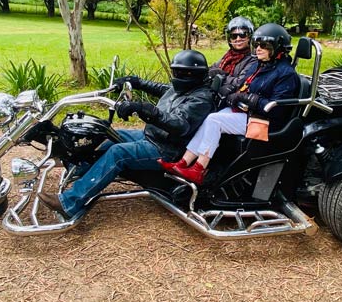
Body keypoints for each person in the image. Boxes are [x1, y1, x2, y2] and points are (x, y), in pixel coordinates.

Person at [37, 50, 216, 218]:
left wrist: (144, 109)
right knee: (109, 135)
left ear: (193, 74)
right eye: (175, 71)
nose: (176, 76)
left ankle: (70, 203)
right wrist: (136, 82)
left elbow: (180, 125)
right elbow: (161, 88)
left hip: (167, 150)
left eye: (180, 72)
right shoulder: (184, 88)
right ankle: (85, 173)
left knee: (118, 153)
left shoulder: (201, 98)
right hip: (153, 137)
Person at [158, 23, 300, 185]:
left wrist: (250, 99)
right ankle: (183, 162)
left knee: (215, 121)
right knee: (211, 116)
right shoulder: (259, 65)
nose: (258, 48)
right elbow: (243, 85)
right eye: (257, 44)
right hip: (250, 114)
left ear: (278, 48)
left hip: (266, 123)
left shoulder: (286, 74)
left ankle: (198, 169)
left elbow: (278, 110)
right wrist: (231, 94)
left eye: (264, 45)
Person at [209, 16, 257, 109]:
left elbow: (240, 82)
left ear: (249, 36)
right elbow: (212, 68)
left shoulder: (253, 58)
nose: (238, 39)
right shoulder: (229, 56)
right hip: (218, 96)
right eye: (234, 36)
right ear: (229, 39)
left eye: (243, 34)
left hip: (235, 102)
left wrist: (222, 75)